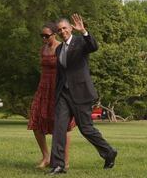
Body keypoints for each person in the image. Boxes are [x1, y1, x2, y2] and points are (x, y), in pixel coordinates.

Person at [47, 14, 117, 175]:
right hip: (63, 94)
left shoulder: (81, 42)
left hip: (80, 93)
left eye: (65, 28)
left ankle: (109, 152)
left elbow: (93, 46)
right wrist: (56, 93)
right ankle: (58, 165)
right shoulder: (58, 49)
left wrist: (84, 31)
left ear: (71, 28)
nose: (62, 31)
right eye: (59, 30)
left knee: (86, 129)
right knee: (59, 128)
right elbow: (61, 73)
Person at [27, 22, 76, 169]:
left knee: (62, 125)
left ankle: (64, 161)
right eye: (41, 36)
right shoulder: (43, 49)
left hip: (58, 89)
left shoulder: (62, 48)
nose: (43, 38)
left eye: (46, 36)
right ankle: (46, 157)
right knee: (35, 121)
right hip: (43, 88)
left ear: (54, 34)